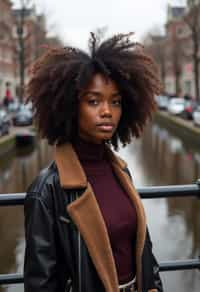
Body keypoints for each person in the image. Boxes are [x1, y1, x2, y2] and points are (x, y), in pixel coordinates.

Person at [24, 32, 163, 292]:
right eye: (93, 101)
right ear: (69, 107)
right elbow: (41, 283)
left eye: (116, 101)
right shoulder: (47, 190)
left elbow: (144, 251)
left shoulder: (121, 172)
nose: (107, 111)